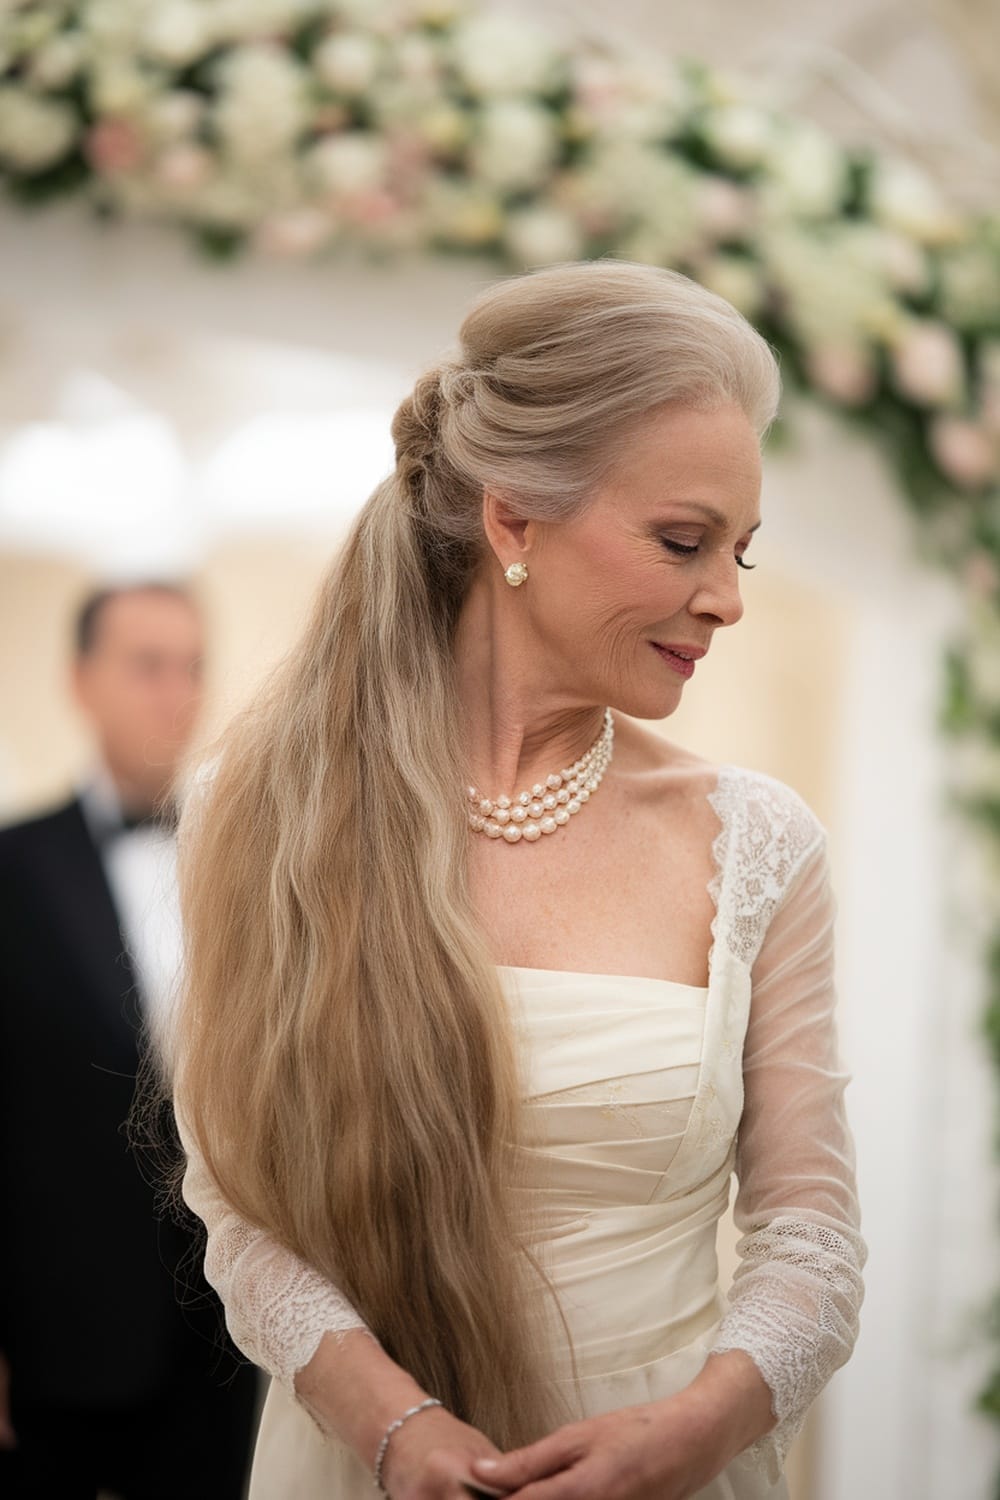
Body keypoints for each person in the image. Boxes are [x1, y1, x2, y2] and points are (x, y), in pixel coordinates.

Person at [164, 260, 867, 1500]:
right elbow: (239, 1200)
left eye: (740, 556)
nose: (724, 600)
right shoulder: (262, 811)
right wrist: (395, 1429)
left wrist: (698, 1429)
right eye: (683, 541)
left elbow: (811, 1236)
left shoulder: (758, 845)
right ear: (513, 522)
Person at [0, 583, 258, 1499]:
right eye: (148, 666)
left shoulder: (246, 863)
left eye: (191, 667)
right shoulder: (13, 867)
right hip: (60, 1335)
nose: (176, 694)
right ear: (81, 681)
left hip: (233, 1330)